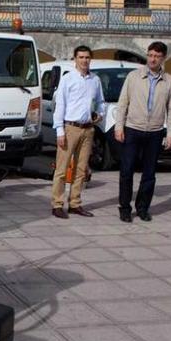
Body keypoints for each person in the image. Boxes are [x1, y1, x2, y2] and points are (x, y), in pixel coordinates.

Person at [114, 41, 171, 223]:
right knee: (127, 171)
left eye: (157, 56)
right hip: (133, 129)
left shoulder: (170, 81)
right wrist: (119, 127)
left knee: (149, 174)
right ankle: (125, 208)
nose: (153, 59)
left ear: (163, 58)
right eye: (150, 55)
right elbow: (123, 103)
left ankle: (143, 208)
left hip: (155, 132)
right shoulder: (133, 77)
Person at [50, 45, 105, 219]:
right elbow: (60, 105)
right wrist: (59, 130)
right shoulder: (67, 79)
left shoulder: (95, 80)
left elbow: (101, 102)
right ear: (75, 59)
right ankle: (57, 204)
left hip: (88, 129)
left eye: (87, 57)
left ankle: (75, 203)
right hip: (70, 128)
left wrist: (100, 115)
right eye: (81, 57)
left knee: (81, 170)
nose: (84, 60)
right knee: (62, 169)